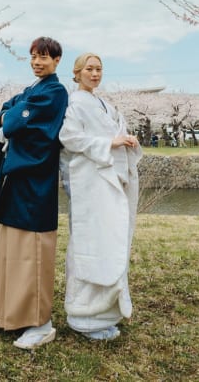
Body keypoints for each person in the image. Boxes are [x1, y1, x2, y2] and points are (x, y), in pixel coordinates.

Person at [0, 37, 68, 350]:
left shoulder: (55, 92)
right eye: (33, 56)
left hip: (34, 180)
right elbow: (7, 113)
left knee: (32, 250)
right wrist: (11, 118)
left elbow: (16, 120)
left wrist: (12, 120)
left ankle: (40, 323)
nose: (37, 62)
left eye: (44, 57)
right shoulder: (32, 91)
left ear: (57, 60)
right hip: (17, 178)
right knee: (13, 245)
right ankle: (10, 313)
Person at [58, 52, 142, 342]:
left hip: (110, 179)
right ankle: (83, 315)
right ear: (78, 72)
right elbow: (69, 139)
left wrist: (126, 139)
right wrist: (110, 142)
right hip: (91, 182)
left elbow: (117, 133)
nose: (95, 74)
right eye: (89, 69)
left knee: (112, 237)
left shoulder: (104, 103)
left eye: (99, 69)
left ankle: (107, 309)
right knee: (90, 241)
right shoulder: (73, 102)